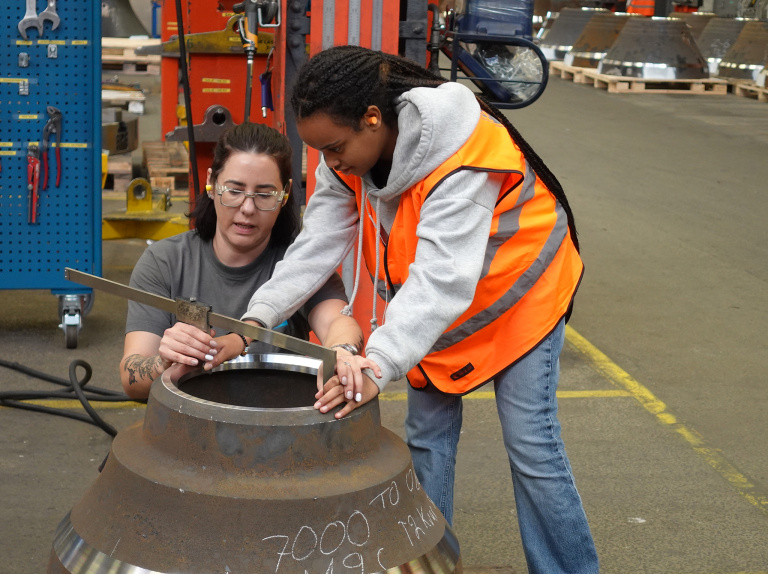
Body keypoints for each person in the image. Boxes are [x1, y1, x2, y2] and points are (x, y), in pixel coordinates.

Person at [234, 46, 600, 572]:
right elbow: (316, 243)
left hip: (521, 297)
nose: (331, 163)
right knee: (426, 439)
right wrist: (255, 319)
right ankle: (426, 565)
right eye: (320, 152)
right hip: (444, 313)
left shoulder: (461, 155)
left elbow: (441, 281)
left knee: (532, 449)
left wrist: (378, 363)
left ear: (373, 119)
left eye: (335, 148)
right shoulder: (347, 154)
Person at [120, 122, 364, 399]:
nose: (247, 209)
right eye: (234, 191)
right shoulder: (164, 262)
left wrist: (343, 353)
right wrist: (165, 361)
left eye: (264, 194)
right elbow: (132, 381)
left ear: (285, 194)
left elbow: (337, 322)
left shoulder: (301, 266)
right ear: (212, 183)